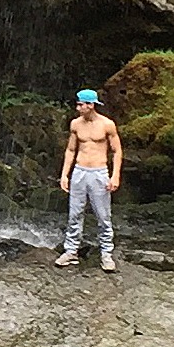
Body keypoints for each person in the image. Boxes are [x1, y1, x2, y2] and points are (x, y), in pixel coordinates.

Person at [57, 87, 121, 271]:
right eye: (78, 104)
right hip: (79, 171)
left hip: (99, 171)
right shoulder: (75, 124)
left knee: (103, 215)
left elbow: (117, 151)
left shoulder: (107, 125)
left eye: (81, 105)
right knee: (74, 213)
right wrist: (64, 174)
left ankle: (106, 254)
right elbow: (70, 150)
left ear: (91, 105)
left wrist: (115, 175)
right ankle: (70, 251)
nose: (78, 108)